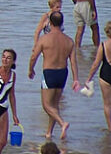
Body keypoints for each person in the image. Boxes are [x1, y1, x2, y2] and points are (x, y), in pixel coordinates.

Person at [28, 11, 81, 140]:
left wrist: (31, 69)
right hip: (63, 73)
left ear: (50, 23)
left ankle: (62, 123)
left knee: (46, 105)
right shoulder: (69, 41)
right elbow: (73, 62)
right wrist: (75, 79)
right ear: (62, 23)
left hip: (49, 73)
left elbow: (34, 56)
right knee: (55, 105)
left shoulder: (44, 39)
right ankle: (49, 133)